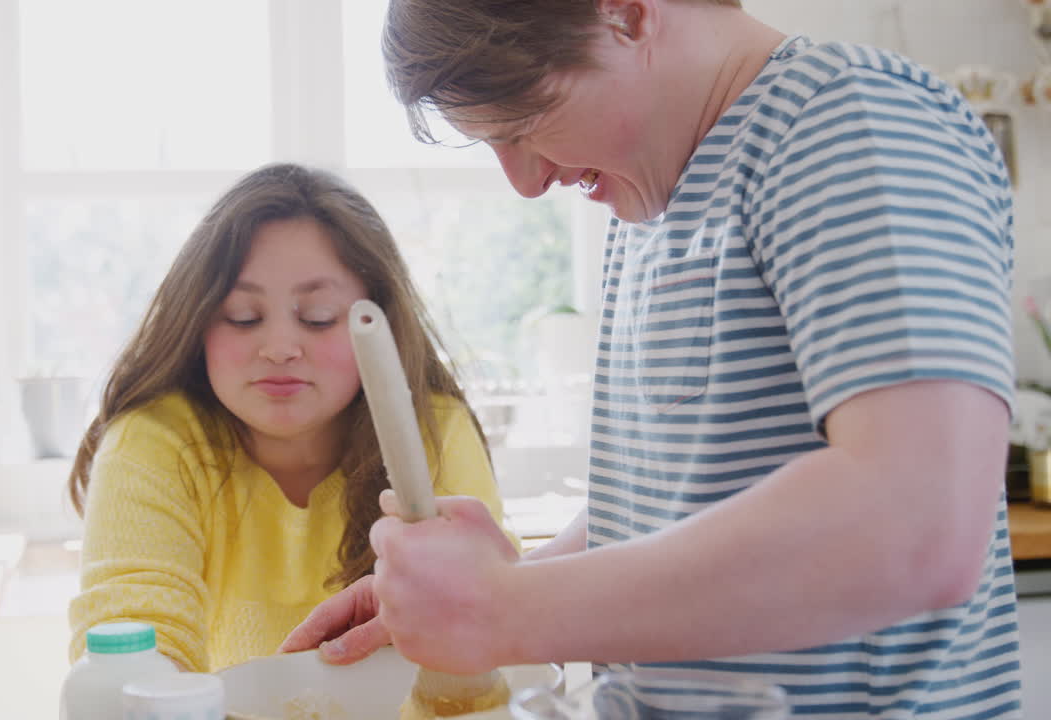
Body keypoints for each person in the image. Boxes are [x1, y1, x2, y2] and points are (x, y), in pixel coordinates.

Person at [280, 1, 1023, 716]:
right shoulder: (654, 204)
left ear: (627, 13)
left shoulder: (851, 122)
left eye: (523, 125)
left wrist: (504, 608)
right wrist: (489, 591)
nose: (526, 181)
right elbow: (678, 503)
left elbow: (920, 523)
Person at [66, 162, 513, 673]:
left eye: (319, 317)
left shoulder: (436, 432)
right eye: (243, 317)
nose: (279, 348)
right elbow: (131, 635)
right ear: (198, 323)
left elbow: (491, 629)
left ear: (379, 323)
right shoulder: (154, 441)